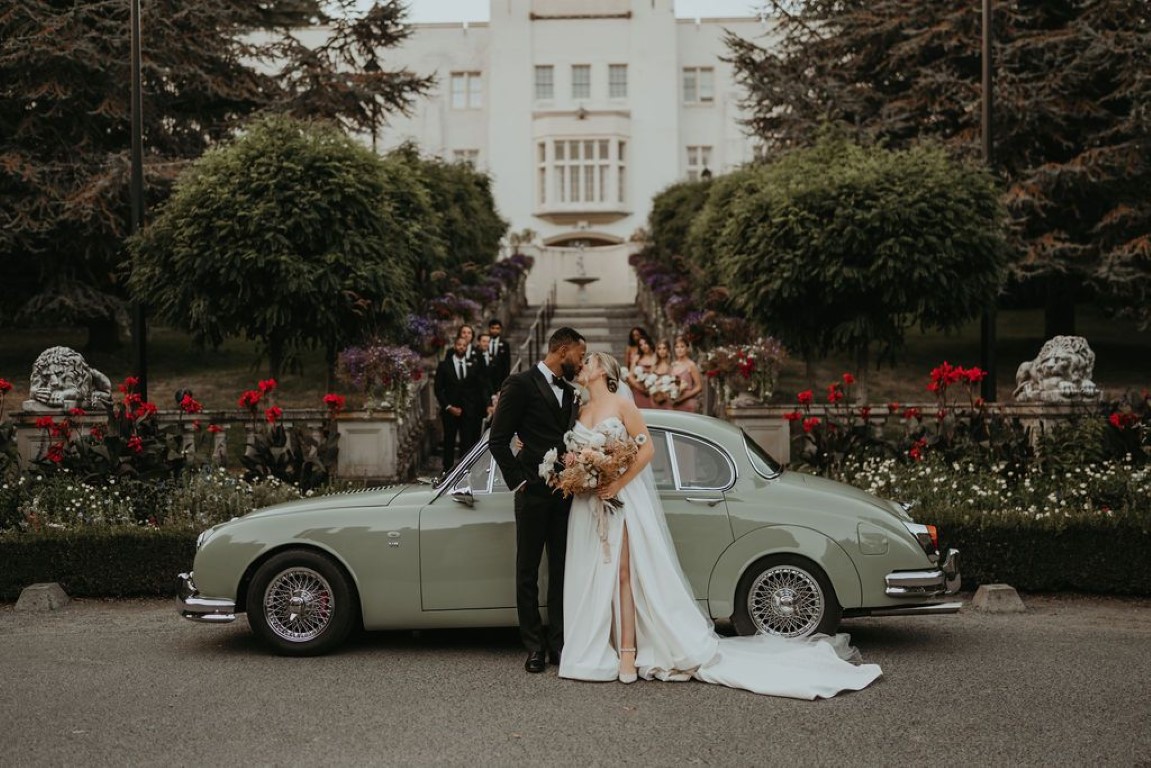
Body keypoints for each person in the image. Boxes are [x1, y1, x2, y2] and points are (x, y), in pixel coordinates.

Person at [558, 352, 882, 699]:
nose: (584, 365)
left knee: (623, 573)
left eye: (590, 361)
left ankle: (627, 653)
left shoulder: (623, 407)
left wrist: (616, 484)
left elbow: (647, 449)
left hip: (618, 501)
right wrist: (577, 473)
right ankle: (594, 648)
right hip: (587, 504)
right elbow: (576, 454)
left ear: (605, 372)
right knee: (591, 572)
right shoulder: (581, 410)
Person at [489, 327, 587, 674]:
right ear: (562, 350)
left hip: (565, 494)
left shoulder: (573, 393)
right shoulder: (520, 384)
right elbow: (497, 441)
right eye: (579, 354)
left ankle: (559, 643)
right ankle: (534, 647)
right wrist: (520, 483)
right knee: (527, 571)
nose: (582, 360)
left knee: (561, 570)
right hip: (532, 493)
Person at [434, 335, 490, 472]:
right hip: (449, 411)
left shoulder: (473, 364)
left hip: (468, 411)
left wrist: (487, 404)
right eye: (459, 345)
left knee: (467, 442)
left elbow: (480, 387)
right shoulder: (444, 365)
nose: (461, 348)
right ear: (455, 346)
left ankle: (464, 470)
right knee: (449, 441)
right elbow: (438, 389)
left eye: (464, 346)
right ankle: (447, 470)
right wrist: (448, 406)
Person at [670, 336, 703, 413]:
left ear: (687, 348)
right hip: (674, 403)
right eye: (677, 347)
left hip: (688, 402)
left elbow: (699, 387)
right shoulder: (673, 365)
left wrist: (683, 398)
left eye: (682, 346)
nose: (679, 349)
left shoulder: (691, 365)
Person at [626, 334, 656, 409]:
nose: (644, 346)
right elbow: (630, 376)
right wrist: (640, 388)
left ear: (650, 343)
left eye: (645, 343)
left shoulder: (656, 356)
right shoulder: (637, 358)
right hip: (638, 391)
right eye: (641, 345)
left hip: (653, 391)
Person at [487, 318, 512, 389]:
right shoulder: (485, 342)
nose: (495, 330)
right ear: (489, 329)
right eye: (493, 328)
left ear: (500, 330)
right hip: (487, 377)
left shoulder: (505, 344)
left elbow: (507, 362)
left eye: (497, 328)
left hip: (500, 376)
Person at [650, 339, 674, 409]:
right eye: (659, 349)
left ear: (668, 350)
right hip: (655, 397)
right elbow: (650, 383)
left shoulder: (672, 365)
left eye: (664, 348)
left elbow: (673, 382)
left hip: (667, 398)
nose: (662, 351)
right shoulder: (654, 365)